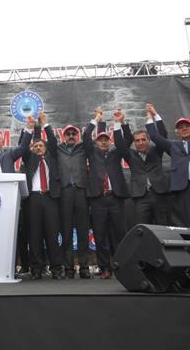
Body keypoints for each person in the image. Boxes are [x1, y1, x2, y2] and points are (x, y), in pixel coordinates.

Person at [145, 84, 190, 239]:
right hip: (184, 190)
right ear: (177, 132)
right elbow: (154, 136)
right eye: (180, 127)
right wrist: (152, 115)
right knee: (189, 224)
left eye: (187, 126)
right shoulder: (173, 146)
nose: (184, 128)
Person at [35, 119, 104, 279]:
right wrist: (44, 124)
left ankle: (84, 267)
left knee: (83, 230)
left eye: (74, 133)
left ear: (77, 136)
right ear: (64, 136)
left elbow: (87, 137)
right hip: (64, 192)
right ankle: (69, 268)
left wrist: (95, 121)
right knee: (66, 231)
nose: (71, 136)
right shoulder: (57, 149)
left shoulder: (83, 147)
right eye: (68, 134)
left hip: (81, 191)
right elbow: (50, 140)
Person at [83, 108, 129, 279]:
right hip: (98, 199)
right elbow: (86, 136)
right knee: (100, 235)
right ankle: (105, 267)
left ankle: (121, 265)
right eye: (100, 140)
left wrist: (120, 123)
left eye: (106, 140)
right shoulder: (92, 153)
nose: (103, 142)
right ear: (96, 143)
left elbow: (127, 140)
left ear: (110, 142)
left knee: (119, 233)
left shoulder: (116, 153)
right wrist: (96, 119)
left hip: (115, 198)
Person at [22, 112, 64, 280]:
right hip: (33, 199)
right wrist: (30, 128)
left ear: (46, 149)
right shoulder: (29, 159)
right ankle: (36, 269)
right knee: (34, 235)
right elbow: (24, 146)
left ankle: (56, 269)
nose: (38, 148)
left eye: (41, 146)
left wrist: (44, 124)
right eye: (36, 146)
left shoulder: (51, 157)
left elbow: (52, 141)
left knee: (53, 234)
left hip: (50, 198)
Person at [119, 108, 170, 228]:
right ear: (134, 143)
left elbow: (163, 135)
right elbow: (120, 145)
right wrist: (122, 122)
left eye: (143, 139)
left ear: (149, 140)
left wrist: (154, 115)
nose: (141, 142)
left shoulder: (156, 151)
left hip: (159, 194)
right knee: (143, 228)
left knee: (164, 227)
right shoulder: (130, 155)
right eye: (137, 141)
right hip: (141, 197)